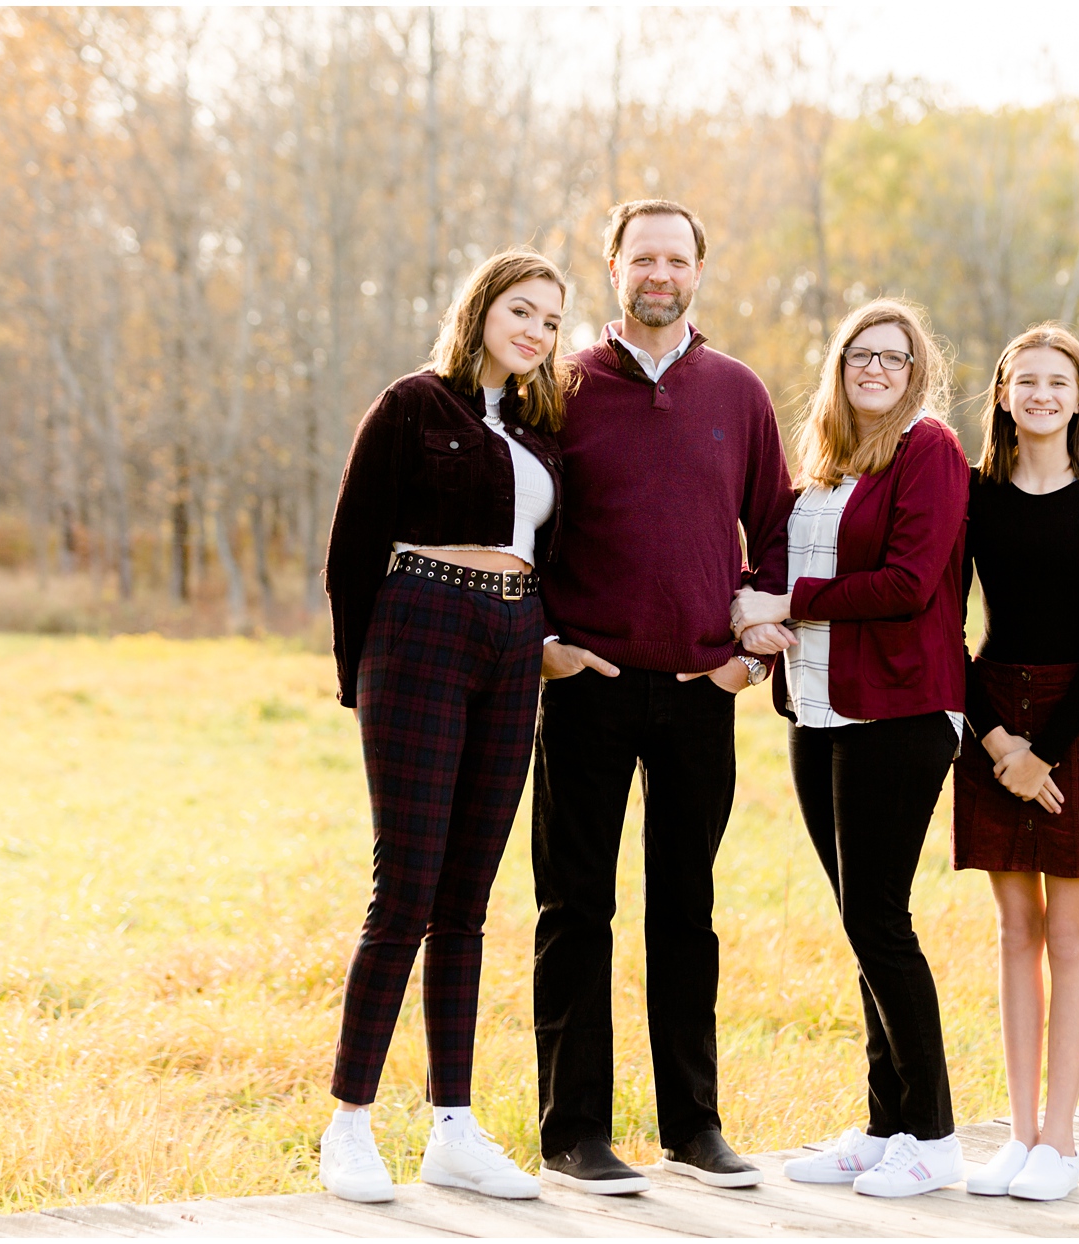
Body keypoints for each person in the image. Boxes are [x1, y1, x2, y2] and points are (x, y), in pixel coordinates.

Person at [532, 199, 793, 1195]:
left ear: (697, 270)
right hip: (587, 686)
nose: (659, 272)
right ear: (612, 267)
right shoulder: (559, 389)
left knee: (687, 909)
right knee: (575, 909)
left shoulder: (737, 390)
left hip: (699, 690)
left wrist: (747, 660)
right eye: (642, 255)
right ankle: (575, 1132)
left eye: (676, 257)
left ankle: (694, 1122)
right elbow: (522, 525)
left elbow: (775, 530)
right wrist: (547, 643)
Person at [319, 247, 573, 1204]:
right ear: (481, 310)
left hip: (515, 643)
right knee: (408, 892)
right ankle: (348, 1124)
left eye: (552, 321)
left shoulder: (543, 429)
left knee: (468, 895)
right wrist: (363, 680)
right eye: (522, 310)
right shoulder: (413, 405)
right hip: (419, 626)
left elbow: (558, 550)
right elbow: (350, 550)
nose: (537, 332)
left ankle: (453, 1127)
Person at [730, 298, 970, 1199]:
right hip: (820, 712)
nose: (876, 369)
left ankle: (936, 1136)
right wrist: (752, 617)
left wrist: (788, 605)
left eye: (895, 358)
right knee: (860, 921)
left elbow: (908, 584)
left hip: (901, 713)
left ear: (917, 374)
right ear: (837, 366)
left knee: (880, 918)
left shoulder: (930, 451)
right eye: (860, 356)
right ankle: (885, 1126)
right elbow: (775, 578)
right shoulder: (824, 462)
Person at [954, 324, 1079, 1202]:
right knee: (1012, 931)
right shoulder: (972, 494)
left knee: (1069, 932)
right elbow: (941, 630)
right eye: (1024, 380)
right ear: (1002, 395)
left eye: (1057, 382)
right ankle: (1018, 1135)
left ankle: (1061, 1143)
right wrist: (998, 744)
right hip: (993, 712)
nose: (1040, 394)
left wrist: (1046, 753)